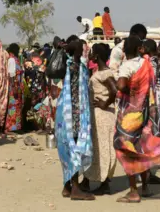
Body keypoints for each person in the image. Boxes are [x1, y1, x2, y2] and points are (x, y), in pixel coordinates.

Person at [114, 35, 160, 203]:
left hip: (130, 114)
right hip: (145, 112)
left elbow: (121, 85)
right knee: (141, 147)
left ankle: (133, 191)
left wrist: (127, 91)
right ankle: (146, 187)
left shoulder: (127, 66)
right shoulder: (146, 64)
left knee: (125, 149)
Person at [55, 40, 94, 201]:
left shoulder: (70, 64)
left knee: (66, 146)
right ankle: (76, 189)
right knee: (75, 148)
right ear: (77, 51)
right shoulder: (75, 66)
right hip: (74, 113)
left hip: (64, 112)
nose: (84, 49)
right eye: (82, 48)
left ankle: (66, 186)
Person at [81, 43, 117, 195]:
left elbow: (114, 90)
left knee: (103, 148)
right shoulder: (100, 72)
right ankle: (91, 180)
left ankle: (104, 182)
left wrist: (104, 103)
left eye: (91, 53)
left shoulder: (104, 74)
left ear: (96, 57)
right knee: (97, 148)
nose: (89, 55)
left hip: (102, 115)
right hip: (99, 114)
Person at [5, 43, 24, 133]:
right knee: (13, 107)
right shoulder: (12, 60)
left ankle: (16, 126)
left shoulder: (15, 59)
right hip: (14, 87)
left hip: (17, 86)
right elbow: (11, 74)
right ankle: (12, 127)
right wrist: (14, 87)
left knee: (17, 107)